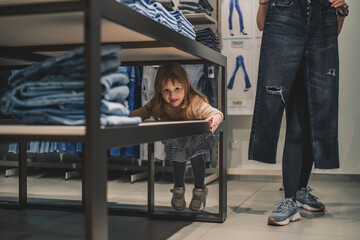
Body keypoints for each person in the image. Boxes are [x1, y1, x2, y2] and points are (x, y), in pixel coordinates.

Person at [249, 0, 349, 226]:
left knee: (315, 121)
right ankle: (290, 201)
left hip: (319, 42)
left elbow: (333, 34)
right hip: (285, 29)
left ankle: (300, 191)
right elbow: (263, 25)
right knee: (295, 125)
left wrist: (341, 13)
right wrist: (264, 2)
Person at [130, 62, 223, 211]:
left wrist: (216, 116)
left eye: (177, 89)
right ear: (160, 91)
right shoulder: (159, 103)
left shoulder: (194, 101)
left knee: (196, 156)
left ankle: (200, 189)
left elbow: (211, 110)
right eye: (166, 90)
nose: (172, 95)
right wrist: (127, 117)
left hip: (194, 136)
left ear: (185, 86)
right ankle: (178, 189)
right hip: (177, 139)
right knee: (177, 157)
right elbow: (143, 111)